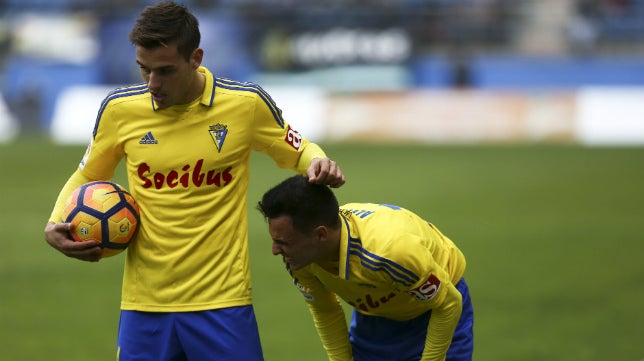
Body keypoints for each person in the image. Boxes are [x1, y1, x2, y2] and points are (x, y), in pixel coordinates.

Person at [43, 2, 345, 361]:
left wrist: (318, 162)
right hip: (145, 305)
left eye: (165, 70)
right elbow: (89, 174)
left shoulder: (245, 105)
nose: (152, 83)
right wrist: (54, 221)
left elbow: (298, 151)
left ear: (196, 57)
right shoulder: (119, 110)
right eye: (144, 69)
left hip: (223, 302)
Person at [257, 175, 473, 361]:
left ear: (321, 234)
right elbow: (325, 310)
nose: (275, 250)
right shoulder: (299, 257)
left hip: (435, 312)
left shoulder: (390, 253)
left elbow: (448, 303)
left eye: (284, 242)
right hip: (375, 318)